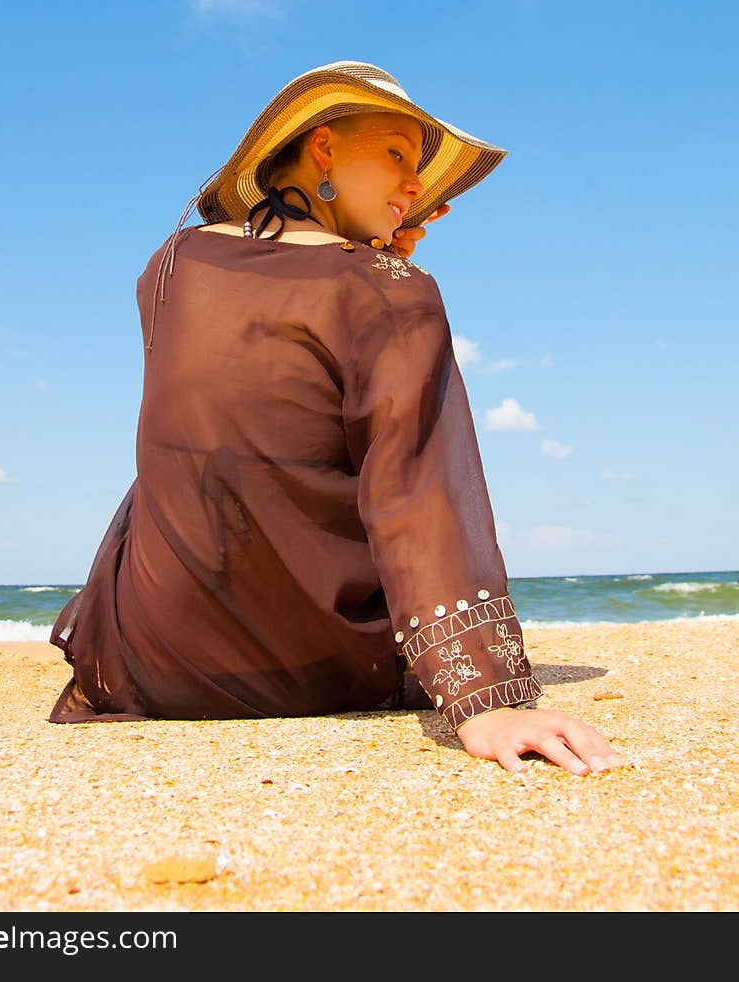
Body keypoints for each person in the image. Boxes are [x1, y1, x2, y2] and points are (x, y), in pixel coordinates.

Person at [49, 61, 622, 776]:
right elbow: (415, 487)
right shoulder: (391, 291)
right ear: (322, 148)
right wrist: (485, 699)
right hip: (310, 663)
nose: (414, 186)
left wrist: (356, 265)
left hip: (147, 658)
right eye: (396, 154)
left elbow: (252, 394)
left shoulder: (171, 263)